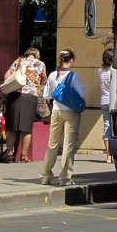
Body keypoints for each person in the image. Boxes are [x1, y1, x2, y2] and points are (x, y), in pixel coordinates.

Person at [40, 49, 86, 186]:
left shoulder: (53, 75)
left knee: (52, 144)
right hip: (71, 112)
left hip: (56, 111)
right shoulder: (74, 76)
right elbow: (81, 94)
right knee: (68, 145)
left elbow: (46, 95)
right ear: (71, 61)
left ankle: (45, 175)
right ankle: (65, 177)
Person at [3, 47, 47, 163]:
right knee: (26, 128)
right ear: (36, 55)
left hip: (15, 96)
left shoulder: (18, 61)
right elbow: (43, 80)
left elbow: (7, 76)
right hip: (30, 97)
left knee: (12, 127)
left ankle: (10, 153)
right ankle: (24, 155)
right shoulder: (41, 64)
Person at [100, 47, 114, 164]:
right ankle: (114, 153)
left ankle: (108, 155)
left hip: (104, 100)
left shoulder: (100, 71)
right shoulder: (113, 71)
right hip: (114, 101)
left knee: (107, 126)